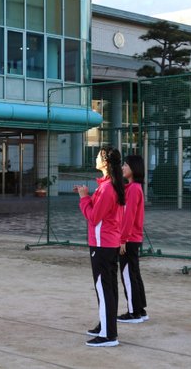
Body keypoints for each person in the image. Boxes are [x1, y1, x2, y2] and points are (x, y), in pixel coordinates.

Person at [75, 146, 125, 347]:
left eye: (98, 156)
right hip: (107, 243)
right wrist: (87, 196)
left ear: (105, 162)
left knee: (104, 289)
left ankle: (108, 335)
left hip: (102, 244)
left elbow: (94, 217)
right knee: (108, 288)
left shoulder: (107, 188)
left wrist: (83, 198)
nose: (95, 158)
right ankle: (106, 326)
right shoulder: (110, 186)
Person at [117, 154, 149, 323]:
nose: (123, 167)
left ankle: (133, 312)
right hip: (132, 239)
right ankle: (140, 310)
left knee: (128, 275)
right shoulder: (132, 187)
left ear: (134, 168)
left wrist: (123, 239)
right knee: (133, 274)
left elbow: (129, 216)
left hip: (129, 240)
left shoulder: (134, 189)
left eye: (126, 165)